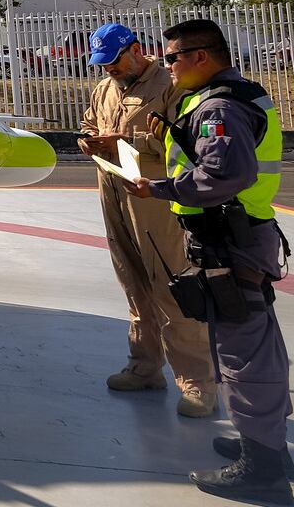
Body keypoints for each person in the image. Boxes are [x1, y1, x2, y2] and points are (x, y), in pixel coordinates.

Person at [128, 19, 294, 505]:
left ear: (203, 56)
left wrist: (158, 188)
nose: (167, 64)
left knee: (244, 352)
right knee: (254, 341)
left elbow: (224, 174)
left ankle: (262, 468)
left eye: (173, 56)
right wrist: (178, 134)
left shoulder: (220, 106)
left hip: (230, 239)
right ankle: (268, 446)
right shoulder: (233, 97)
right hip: (238, 236)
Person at [78, 23, 217, 418]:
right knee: (133, 279)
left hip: (154, 192)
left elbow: (185, 139)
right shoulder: (105, 89)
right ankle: (144, 367)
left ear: (136, 50)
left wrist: (128, 143)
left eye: (114, 62)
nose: (109, 70)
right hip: (113, 189)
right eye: (102, 64)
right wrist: (88, 139)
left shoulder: (170, 85)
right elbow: (91, 122)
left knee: (171, 282)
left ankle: (197, 384)